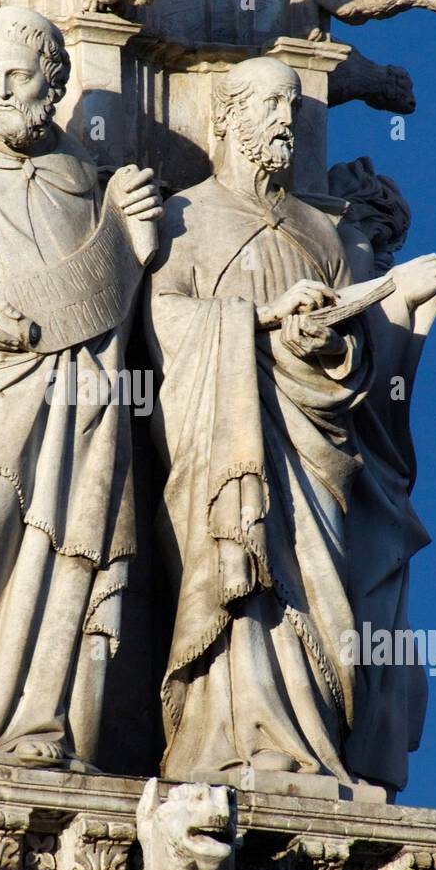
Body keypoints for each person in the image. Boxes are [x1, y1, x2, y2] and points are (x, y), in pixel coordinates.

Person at [0, 6, 161, 768]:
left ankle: (42, 723)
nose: (1, 90)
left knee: (67, 549)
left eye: (19, 75)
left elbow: (117, 317)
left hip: (83, 398)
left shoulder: (84, 177)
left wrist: (135, 246)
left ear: (56, 81)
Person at [145, 56, 376, 785]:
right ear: (227, 117)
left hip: (309, 448)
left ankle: (307, 743)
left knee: (316, 583)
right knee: (237, 570)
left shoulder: (321, 231)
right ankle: (228, 739)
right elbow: (159, 322)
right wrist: (255, 321)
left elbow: (354, 360)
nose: (284, 121)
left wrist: (329, 342)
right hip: (223, 440)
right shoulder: (186, 217)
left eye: (292, 109)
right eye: (269, 107)